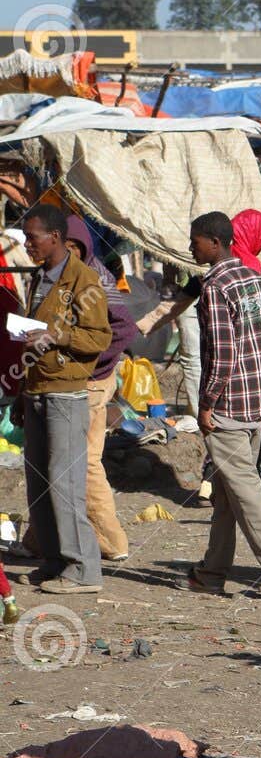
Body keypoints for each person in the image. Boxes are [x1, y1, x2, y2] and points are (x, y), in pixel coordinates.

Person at [186, 212, 261, 601]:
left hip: (229, 407)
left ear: (215, 243)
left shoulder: (215, 288)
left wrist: (206, 403)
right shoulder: (258, 281)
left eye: (196, 241)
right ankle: (211, 572)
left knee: (246, 491)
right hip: (255, 400)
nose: (192, 248)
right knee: (227, 491)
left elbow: (222, 354)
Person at [16, 204, 110, 594]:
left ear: (54, 236)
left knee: (64, 484)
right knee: (39, 486)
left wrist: (57, 337)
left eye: (33, 238)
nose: (28, 245)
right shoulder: (40, 278)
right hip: (36, 390)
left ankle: (84, 568)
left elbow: (99, 338)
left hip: (66, 394)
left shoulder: (84, 282)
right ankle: (56, 562)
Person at [66, 216, 136, 563]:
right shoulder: (66, 275)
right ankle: (39, 537)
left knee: (86, 460)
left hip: (93, 381)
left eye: (73, 246)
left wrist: (93, 361)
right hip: (77, 380)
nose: (67, 253)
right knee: (61, 461)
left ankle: (112, 541)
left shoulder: (95, 277)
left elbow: (124, 328)